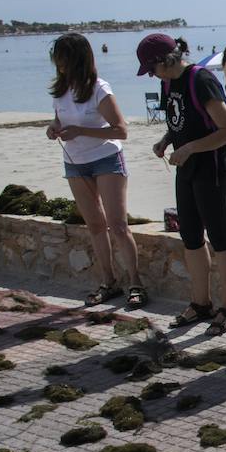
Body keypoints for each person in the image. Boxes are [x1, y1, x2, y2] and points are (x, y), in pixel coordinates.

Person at [136, 32, 226, 335]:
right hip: (186, 168)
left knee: (220, 238)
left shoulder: (202, 80)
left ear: (164, 61)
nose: (151, 75)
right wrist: (166, 140)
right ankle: (200, 303)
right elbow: (180, 122)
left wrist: (190, 148)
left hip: (212, 168)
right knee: (191, 237)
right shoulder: (167, 82)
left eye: (151, 68)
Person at [45, 34, 147, 308]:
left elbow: (121, 130)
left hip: (106, 158)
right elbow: (59, 118)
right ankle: (108, 280)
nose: (60, 66)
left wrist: (81, 131)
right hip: (75, 163)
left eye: (63, 60)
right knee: (94, 225)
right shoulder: (60, 90)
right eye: (58, 62)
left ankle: (135, 282)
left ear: (76, 59)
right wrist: (53, 128)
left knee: (117, 224)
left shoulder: (100, 89)